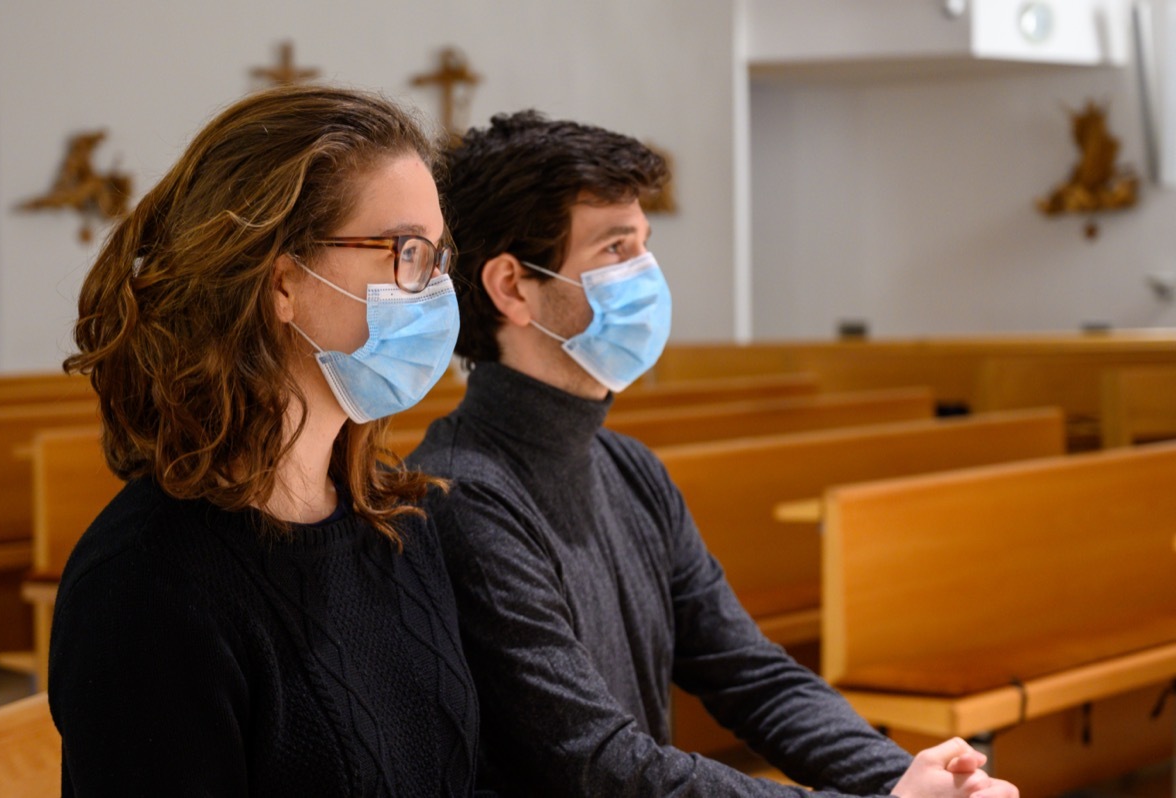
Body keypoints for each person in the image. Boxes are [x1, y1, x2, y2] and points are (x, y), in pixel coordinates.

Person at [409, 110, 1019, 798]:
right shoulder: (461, 497)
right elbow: (599, 764)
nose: (645, 273)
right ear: (512, 287)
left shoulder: (629, 469)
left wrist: (904, 780)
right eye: (615, 250)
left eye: (644, 244)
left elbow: (752, 674)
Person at [50, 85, 482, 796]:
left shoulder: (396, 522)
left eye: (437, 256)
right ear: (282, 282)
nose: (435, 288)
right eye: (407, 251)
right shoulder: (144, 587)